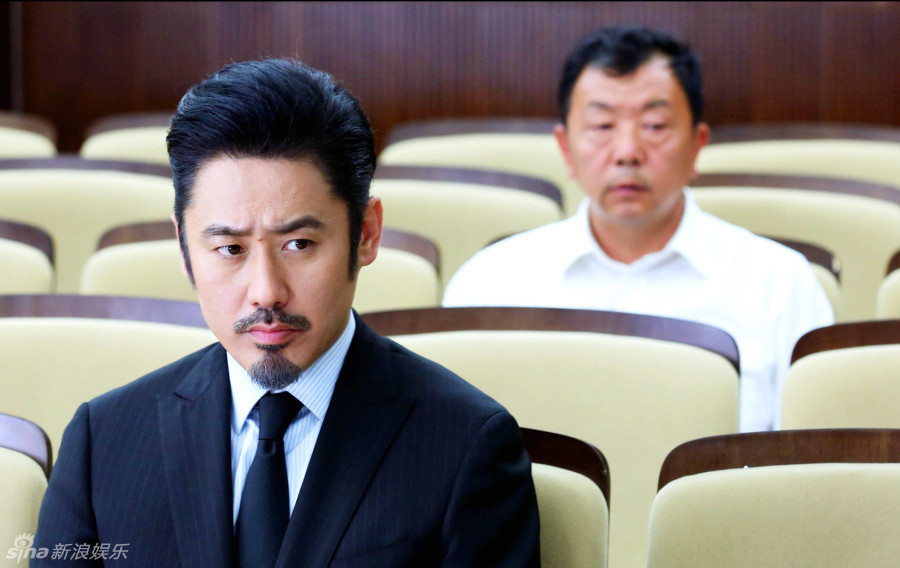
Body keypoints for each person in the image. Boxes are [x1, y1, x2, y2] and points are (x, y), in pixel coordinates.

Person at [34, 59, 540, 567]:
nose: (266, 293)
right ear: (184, 246)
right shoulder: (104, 438)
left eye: (298, 244)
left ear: (366, 234)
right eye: (230, 249)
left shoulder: (466, 442)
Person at [443, 25, 834, 432]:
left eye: (654, 125)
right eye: (602, 126)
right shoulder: (489, 282)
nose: (627, 152)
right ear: (565, 148)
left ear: (697, 145)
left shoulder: (780, 285)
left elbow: (806, 455)